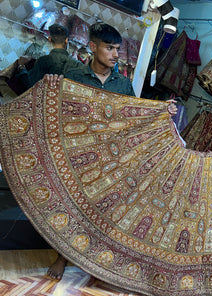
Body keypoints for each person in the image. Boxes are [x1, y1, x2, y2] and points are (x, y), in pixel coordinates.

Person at [45, 22, 177, 280]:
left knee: (101, 211)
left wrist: (162, 110)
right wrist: (51, 86)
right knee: (72, 207)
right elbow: (60, 111)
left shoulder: (123, 85)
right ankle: (62, 256)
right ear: (93, 47)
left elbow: (133, 116)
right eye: (109, 48)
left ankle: (92, 261)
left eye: (117, 48)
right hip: (77, 155)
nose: (116, 54)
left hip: (109, 159)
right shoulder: (74, 77)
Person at [16, 23, 83, 89]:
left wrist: (21, 66)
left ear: (50, 39)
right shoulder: (78, 65)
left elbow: (29, 85)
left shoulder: (43, 60)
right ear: (66, 40)